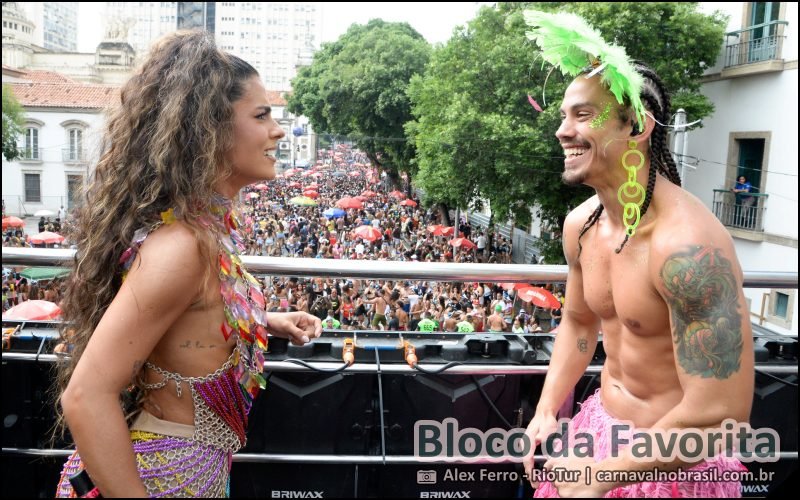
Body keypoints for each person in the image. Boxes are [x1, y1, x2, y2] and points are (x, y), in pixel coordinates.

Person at [52, 31, 322, 498]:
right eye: (261, 115)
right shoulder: (181, 246)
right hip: (161, 479)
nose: (278, 130)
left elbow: (188, 319)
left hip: (192, 473)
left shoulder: (202, 229)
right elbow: (84, 396)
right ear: (209, 130)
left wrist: (268, 321)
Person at [522, 11, 753, 498]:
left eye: (583, 115)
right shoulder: (580, 226)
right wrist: (546, 409)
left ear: (638, 128)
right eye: (564, 115)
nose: (562, 131)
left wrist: (600, 479)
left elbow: (723, 415)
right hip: (599, 434)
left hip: (674, 467)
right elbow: (580, 323)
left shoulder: (687, 247)